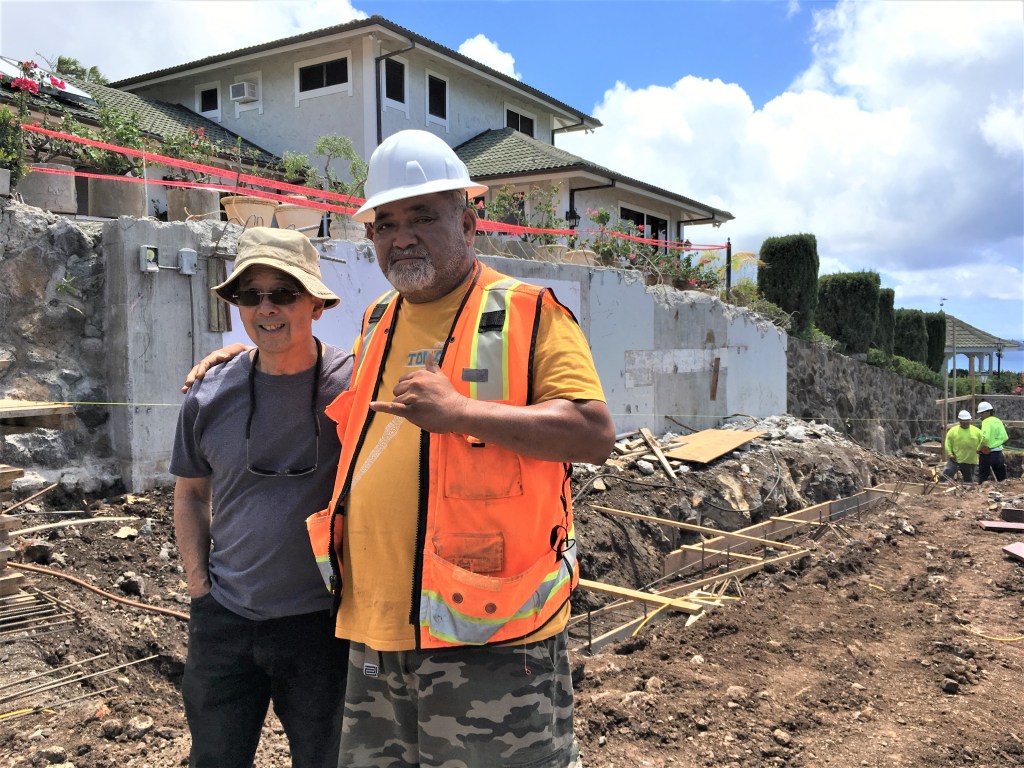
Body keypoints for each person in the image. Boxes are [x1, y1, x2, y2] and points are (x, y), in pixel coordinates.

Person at [186, 130, 616, 767]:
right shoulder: (377, 322)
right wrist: (243, 357)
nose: (401, 236)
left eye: (422, 216)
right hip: (375, 632)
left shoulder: (526, 312)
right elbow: (328, 386)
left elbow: (592, 433)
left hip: (488, 637)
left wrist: (463, 412)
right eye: (385, 223)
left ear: (469, 222)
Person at [171, 228, 353, 768]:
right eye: (251, 296)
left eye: (284, 293)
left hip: (322, 625)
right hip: (224, 622)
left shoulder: (357, 385)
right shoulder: (208, 392)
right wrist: (200, 589)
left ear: (316, 304)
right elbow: (189, 495)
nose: (266, 308)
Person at [941, 409, 984, 484]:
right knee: (945, 475)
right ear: (960, 421)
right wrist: (950, 454)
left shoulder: (977, 431)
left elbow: (983, 441)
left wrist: (982, 450)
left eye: (967, 421)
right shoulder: (953, 431)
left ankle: (968, 494)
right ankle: (939, 488)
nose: (965, 423)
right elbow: (948, 443)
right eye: (963, 421)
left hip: (970, 462)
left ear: (970, 420)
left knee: (969, 482)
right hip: (955, 460)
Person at [977, 401, 1009, 482]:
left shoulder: (986, 422)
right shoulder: (998, 421)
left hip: (987, 454)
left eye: (982, 413)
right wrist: (996, 444)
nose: (981, 415)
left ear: (988, 412)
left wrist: (979, 448)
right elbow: (1005, 437)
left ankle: (979, 494)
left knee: (983, 477)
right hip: (999, 454)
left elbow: (985, 438)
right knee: (1002, 479)